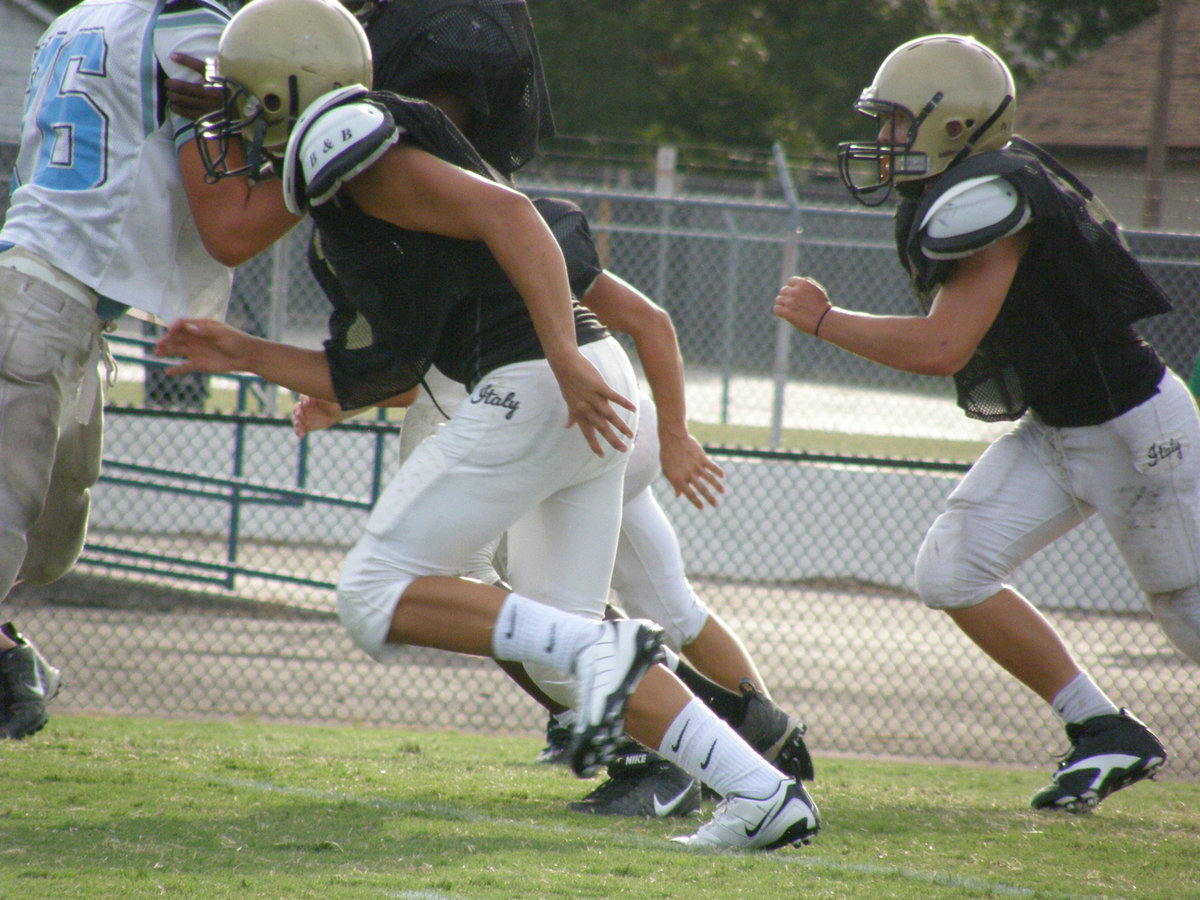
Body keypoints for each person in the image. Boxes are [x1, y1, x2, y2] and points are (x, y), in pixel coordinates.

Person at [156, 0, 819, 850]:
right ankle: (762, 793)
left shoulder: (350, 140)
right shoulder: (349, 175)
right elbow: (386, 370)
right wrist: (242, 350)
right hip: (565, 384)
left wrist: (560, 355)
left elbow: (515, 220)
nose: (236, 120)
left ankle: (620, 659)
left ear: (291, 90)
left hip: (545, 381)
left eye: (244, 96)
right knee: (559, 655)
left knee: (373, 592)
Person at [774, 33, 1199, 813]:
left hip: (1139, 435)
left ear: (953, 122)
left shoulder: (996, 197)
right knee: (952, 570)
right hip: (1062, 429)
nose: (883, 141)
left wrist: (826, 320)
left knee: (1190, 616)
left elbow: (943, 346)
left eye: (898, 122)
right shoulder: (979, 184)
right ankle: (1104, 729)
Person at [0, 0, 300, 739]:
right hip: (45, 298)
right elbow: (231, 211)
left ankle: (6, 652)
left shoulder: (74, 19)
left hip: (59, 298)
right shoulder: (188, 25)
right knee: (7, 518)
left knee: (48, 544)